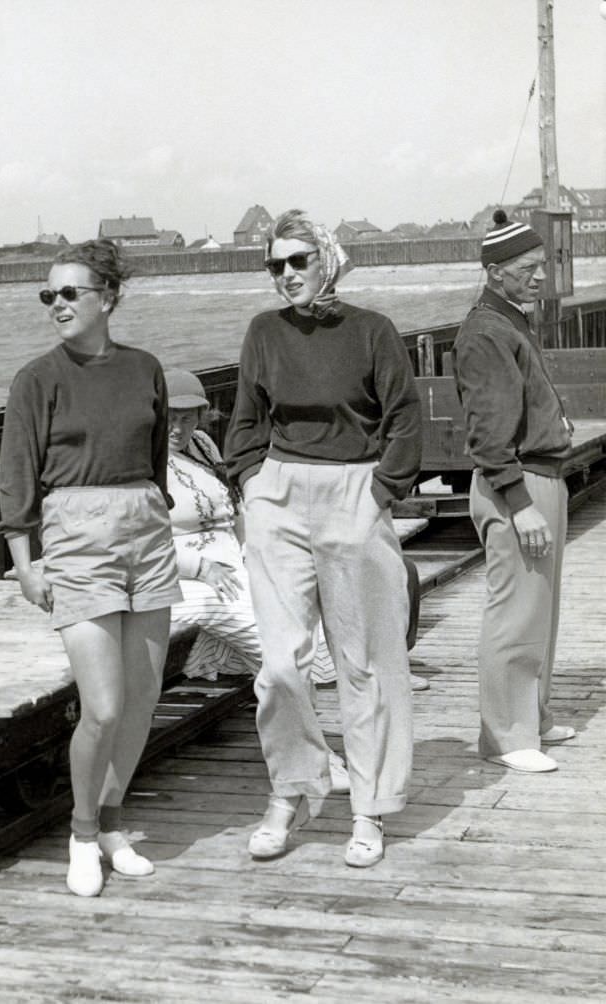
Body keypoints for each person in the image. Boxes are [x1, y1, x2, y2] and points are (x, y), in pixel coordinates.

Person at [225, 209, 422, 867]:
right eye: (275, 265)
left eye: (297, 261)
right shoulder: (263, 332)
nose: (285, 275)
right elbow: (245, 422)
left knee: (363, 664)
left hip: (356, 494)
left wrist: (377, 496)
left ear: (326, 259)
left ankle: (368, 806)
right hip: (279, 494)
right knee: (280, 665)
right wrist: (253, 485)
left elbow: (403, 422)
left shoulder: (373, 331)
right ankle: (294, 785)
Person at [0, 239, 182, 897]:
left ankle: (111, 821)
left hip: (147, 529)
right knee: (102, 706)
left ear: (109, 298)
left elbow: (155, 460)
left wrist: (153, 512)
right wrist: (25, 564)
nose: (57, 305)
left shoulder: (146, 369)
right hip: (76, 538)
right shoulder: (36, 379)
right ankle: (80, 833)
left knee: (144, 696)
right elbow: (16, 477)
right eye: (49, 294)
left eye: (70, 292)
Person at [164, 368, 351, 791]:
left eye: (188, 416)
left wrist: (257, 553)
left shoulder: (201, 445)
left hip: (235, 567)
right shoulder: (141, 462)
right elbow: (140, 540)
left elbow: (236, 510)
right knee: (279, 652)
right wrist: (200, 568)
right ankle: (311, 758)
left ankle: (306, 747)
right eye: (170, 417)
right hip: (188, 577)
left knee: (299, 627)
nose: (179, 427)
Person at [451, 209, 576, 774]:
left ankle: (533, 716)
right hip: (517, 486)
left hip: (542, 477)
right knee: (513, 613)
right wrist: (519, 505)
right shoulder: (485, 332)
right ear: (496, 272)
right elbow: (487, 434)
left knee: (539, 611)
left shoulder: (513, 321)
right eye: (529, 268)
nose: (541, 277)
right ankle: (505, 735)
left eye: (542, 266)